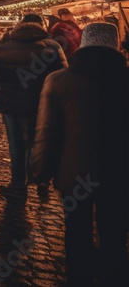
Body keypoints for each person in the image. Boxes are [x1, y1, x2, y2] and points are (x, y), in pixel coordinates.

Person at [31, 22, 129, 286]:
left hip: (75, 172)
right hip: (119, 172)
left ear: (83, 43)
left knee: (77, 233)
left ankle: (80, 277)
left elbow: (46, 131)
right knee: (115, 234)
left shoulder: (59, 80)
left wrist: (40, 171)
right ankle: (113, 275)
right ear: (115, 44)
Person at [0, 14, 67, 199]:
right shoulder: (52, 46)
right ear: (41, 25)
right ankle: (42, 181)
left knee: (16, 146)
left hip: (11, 104)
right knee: (39, 143)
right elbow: (62, 76)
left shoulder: (4, 47)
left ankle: (18, 185)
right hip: (41, 104)